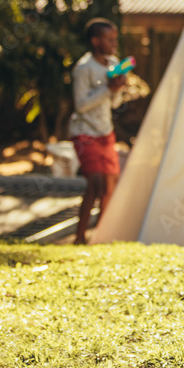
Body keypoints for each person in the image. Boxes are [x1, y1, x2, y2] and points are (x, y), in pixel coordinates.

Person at [69, 18, 126, 245]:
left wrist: (118, 89)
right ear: (95, 41)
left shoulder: (114, 63)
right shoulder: (83, 69)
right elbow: (81, 105)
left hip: (105, 132)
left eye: (115, 39)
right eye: (109, 39)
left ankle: (100, 237)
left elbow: (114, 103)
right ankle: (80, 236)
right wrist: (107, 88)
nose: (114, 43)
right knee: (95, 184)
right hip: (85, 132)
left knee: (110, 186)